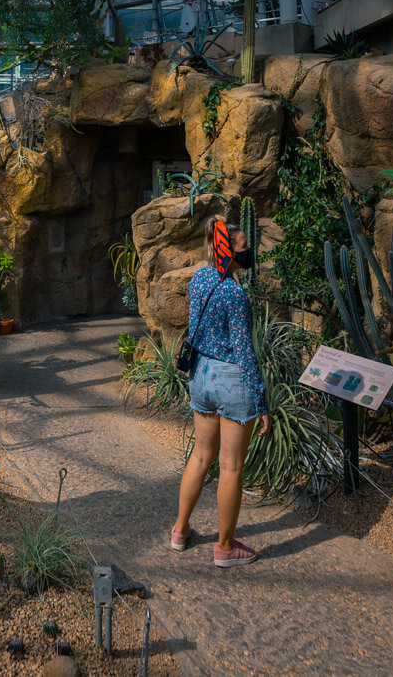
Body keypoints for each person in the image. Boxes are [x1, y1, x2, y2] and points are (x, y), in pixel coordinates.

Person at [170, 216, 271, 567]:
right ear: (228, 251)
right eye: (243, 246)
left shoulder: (198, 279)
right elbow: (244, 351)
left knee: (200, 457)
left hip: (201, 375)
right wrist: (262, 402)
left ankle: (180, 531)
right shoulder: (236, 294)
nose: (249, 251)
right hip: (231, 380)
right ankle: (225, 547)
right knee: (230, 467)